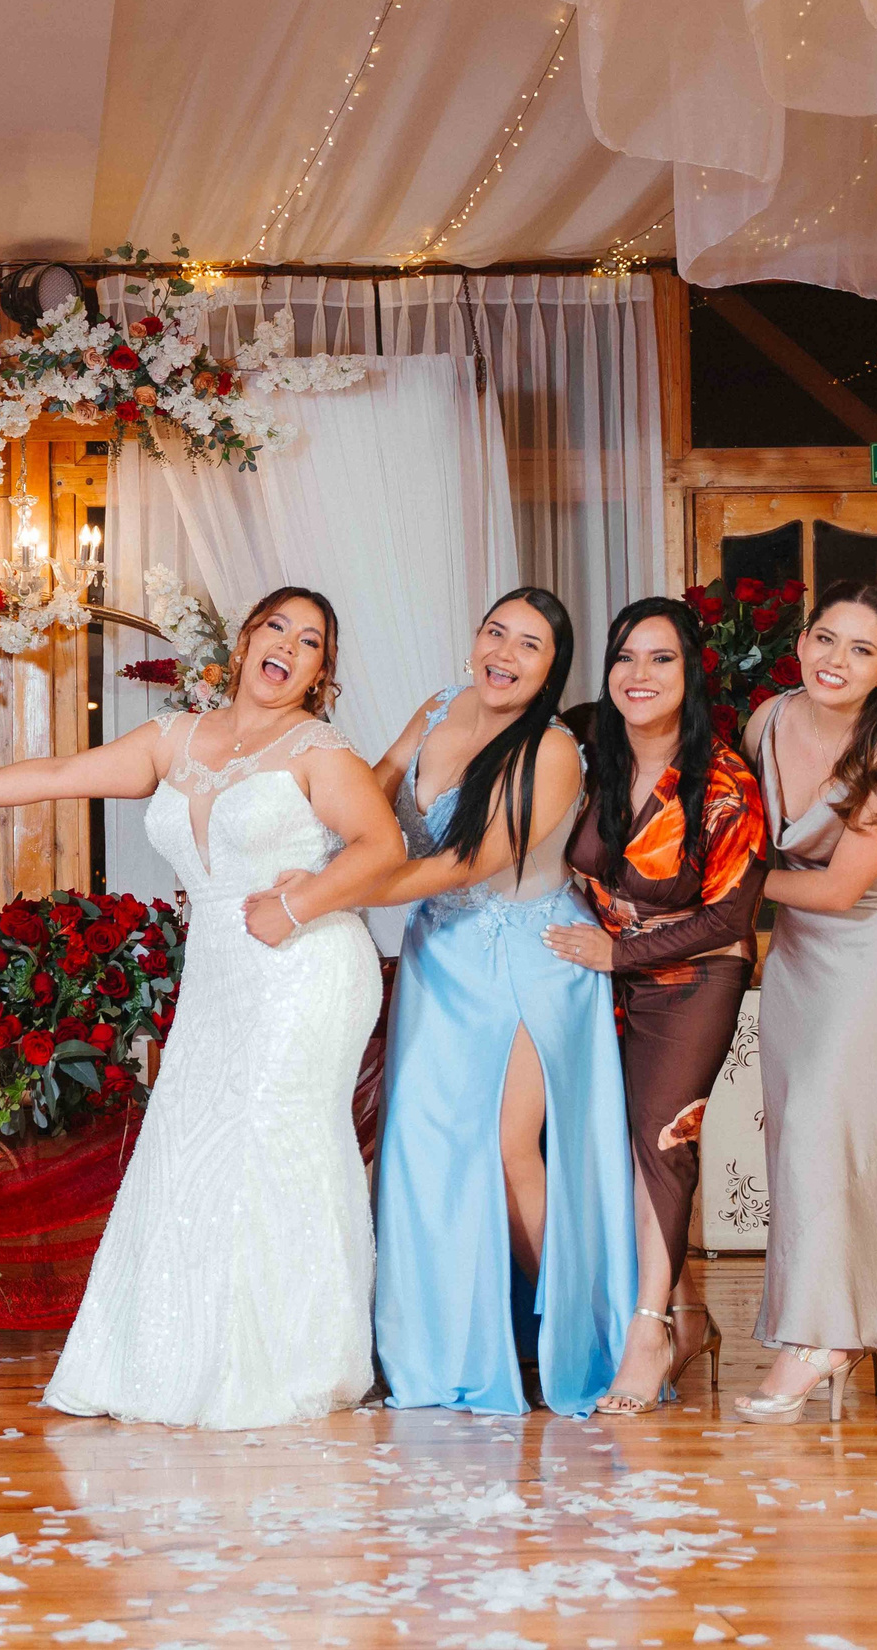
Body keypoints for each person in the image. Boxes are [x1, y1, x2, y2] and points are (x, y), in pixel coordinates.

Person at [0, 588, 398, 1430]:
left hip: (305, 964)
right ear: (245, 642)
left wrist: (300, 904)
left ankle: (297, 1358)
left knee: (272, 1139)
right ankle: (179, 1353)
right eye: (277, 626)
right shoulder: (175, 739)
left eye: (310, 640)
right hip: (219, 971)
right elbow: (62, 775)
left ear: (321, 674)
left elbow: (382, 848)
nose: (288, 644)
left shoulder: (319, 750)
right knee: (193, 1146)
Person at [303, 587, 637, 1419]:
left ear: (552, 670)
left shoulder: (554, 750)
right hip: (437, 958)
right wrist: (302, 840)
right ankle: (443, 1346)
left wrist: (339, 897)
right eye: (496, 632)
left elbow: (470, 862)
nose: (506, 653)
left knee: (506, 1147)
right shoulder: (441, 706)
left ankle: (594, 1340)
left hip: (530, 955)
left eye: (530, 645)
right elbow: (374, 794)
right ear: (474, 639)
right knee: (426, 1154)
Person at [731, 580, 877, 1423]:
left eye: (861, 650)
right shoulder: (766, 722)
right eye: (826, 638)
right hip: (796, 953)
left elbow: (838, 888)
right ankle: (829, 1325)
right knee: (799, 1139)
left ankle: (823, 1339)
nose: (835, 660)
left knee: (836, 1127)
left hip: (872, 946)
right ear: (803, 642)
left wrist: (715, 891)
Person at [542, 600, 768, 1415]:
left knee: (659, 1144)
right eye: (625, 658)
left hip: (694, 979)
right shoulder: (587, 758)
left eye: (661, 659)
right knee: (610, 1147)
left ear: (692, 674)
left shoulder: (724, 780)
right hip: (598, 978)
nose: (639, 675)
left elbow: (731, 917)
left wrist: (620, 951)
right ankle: (689, 1310)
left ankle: (649, 1333)